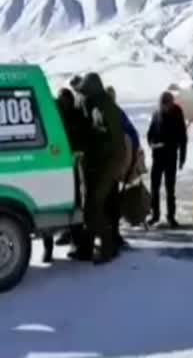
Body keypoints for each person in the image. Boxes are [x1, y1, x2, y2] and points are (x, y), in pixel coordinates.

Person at [70, 72, 127, 264]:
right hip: (96, 161)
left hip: (108, 163)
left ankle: (108, 247)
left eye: (85, 92)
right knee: (89, 206)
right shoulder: (93, 103)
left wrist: (89, 136)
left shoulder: (106, 108)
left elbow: (111, 140)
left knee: (93, 206)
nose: (82, 96)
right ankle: (85, 249)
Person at [42, 87, 90, 263]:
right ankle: (70, 243)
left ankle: (57, 247)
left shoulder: (55, 115)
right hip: (62, 168)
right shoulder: (62, 115)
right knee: (72, 206)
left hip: (63, 168)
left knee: (66, 207)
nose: (63, 105)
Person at [146, 91, 187, 228]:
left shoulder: (177, 114)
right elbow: (150, 134)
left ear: (171, 103)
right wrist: (153, 144)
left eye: (166, 105)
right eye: (162, 105)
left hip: (170, 156)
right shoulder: (156, 114)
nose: (164, 107)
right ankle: (155, 215)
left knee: (170, 189)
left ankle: (171, 216)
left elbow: (183, 137)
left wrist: (182, 157)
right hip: (157, 156)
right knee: (154, 187)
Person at [106, 86, 140, 249]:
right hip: (110, 166)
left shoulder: (99, 111)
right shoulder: (117, 114)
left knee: (109, 202)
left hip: (107, 167)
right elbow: (133, 135)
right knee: (110, 202)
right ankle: (112, 235)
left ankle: (111, 235)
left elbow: (133, 135)